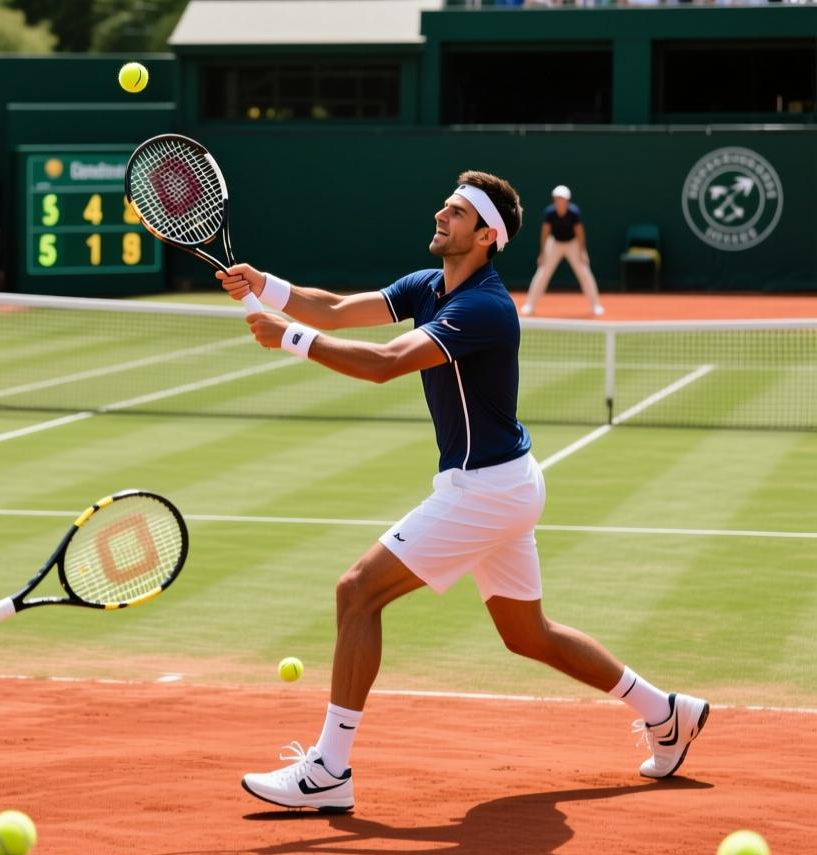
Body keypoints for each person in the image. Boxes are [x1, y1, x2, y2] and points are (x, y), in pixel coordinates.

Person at [218, 170, 708, 813]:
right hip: (506, 480)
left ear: (485, 235)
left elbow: (388, 362)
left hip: (485, 490)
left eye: (455, 212)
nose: (440, 215)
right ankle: (666, 711)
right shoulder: (428, 286)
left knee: (357, 592)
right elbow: (338, 309)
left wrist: (290, 338)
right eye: (445, 207)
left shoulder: (483, 307)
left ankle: (329, 771)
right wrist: (268, 288)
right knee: (527, 634)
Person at [520, 185, 604, 317]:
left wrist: (582, 252)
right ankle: (529, 305)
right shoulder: (550, 213)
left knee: (584, 273)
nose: (560, 201)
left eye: (562, 199)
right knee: (542, 273)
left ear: (567, 200)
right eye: (557, 199)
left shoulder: (574, 213)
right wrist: (542, 253)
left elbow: (580, 233)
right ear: (554, 200)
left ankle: (596, 305)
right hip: (554, 243)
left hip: (572, 243)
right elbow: (545, 233)